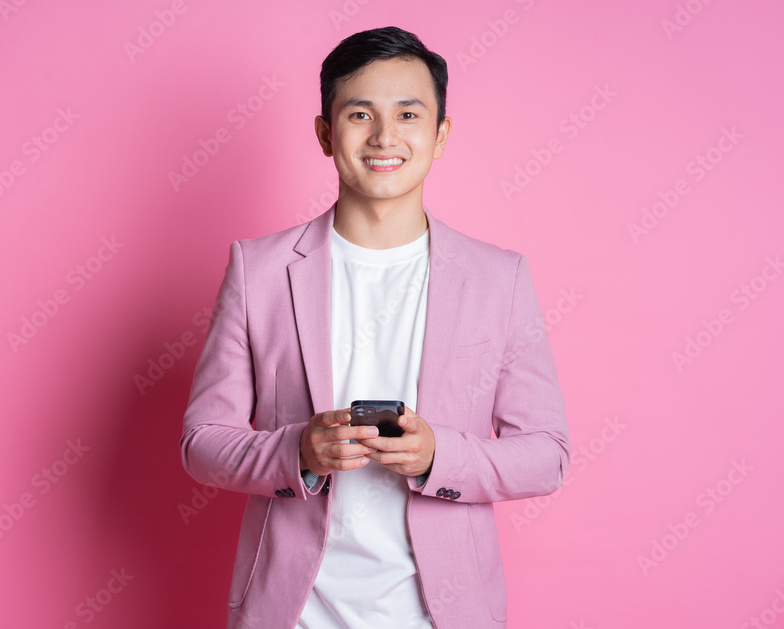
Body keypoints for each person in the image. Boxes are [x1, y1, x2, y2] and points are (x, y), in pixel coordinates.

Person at [180, 26, 570, 629]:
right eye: (360, 114)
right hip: (294, 614)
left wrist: (441, 455)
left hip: (445, 615)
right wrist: (297, 451)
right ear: (325, 133)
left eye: (408, 114)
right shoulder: (256, 271)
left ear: (440, 135)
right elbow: (202, 442)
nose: (385, 137)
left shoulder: (500, 278)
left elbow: (547, 454)